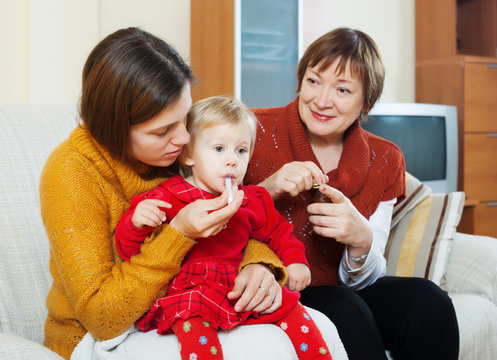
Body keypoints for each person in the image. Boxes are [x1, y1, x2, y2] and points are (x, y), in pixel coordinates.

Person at [39, 27, 287, 360]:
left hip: (185, 311)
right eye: (162, 130)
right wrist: (178, 234)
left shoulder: (171, 153)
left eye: (185, 119)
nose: (184, 139)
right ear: (113, 127)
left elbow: (241, 219)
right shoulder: (71, 173)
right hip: (95, 339)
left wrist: (259, 266)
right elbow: (102, 318)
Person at [244, 27, 460, 360]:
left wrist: (361, 241)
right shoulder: (252, 129)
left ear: (366, 102)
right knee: (343, 305)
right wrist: (266, 189)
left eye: (342, 90)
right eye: (313, 81)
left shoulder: (386, 158)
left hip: (344, 290)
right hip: (277, 285)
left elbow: (365, 278)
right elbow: (205, 208)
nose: (321, 100)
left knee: (428, 301)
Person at [114, 96, 332, 360]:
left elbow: (279, 233)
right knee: (192, 320)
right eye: (219, 149)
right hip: (189, 289)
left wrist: (296, 262)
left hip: (235, 286)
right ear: (188, 155)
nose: (232, 161)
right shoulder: (167, 197)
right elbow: (129, 252)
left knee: (292, 307)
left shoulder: (253, 200)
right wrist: (136, 224)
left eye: (241, 151)